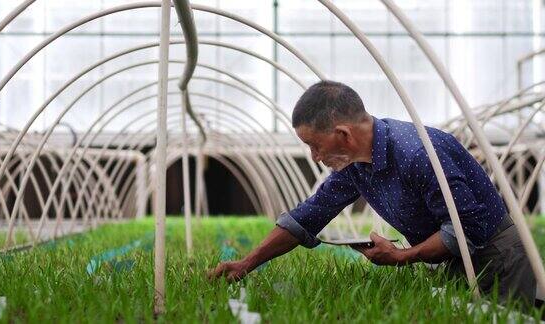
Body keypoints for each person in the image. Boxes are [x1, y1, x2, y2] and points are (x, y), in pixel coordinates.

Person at [208, 80, 535, 305]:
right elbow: (307, 217)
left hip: (497, 258)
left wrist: (402, 257)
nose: (315, 157)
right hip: (451, 260)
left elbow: (465, 230)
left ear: (342, 134)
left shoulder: (417, 154)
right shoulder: (354, 165)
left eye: (314, 145)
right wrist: (246, 264)